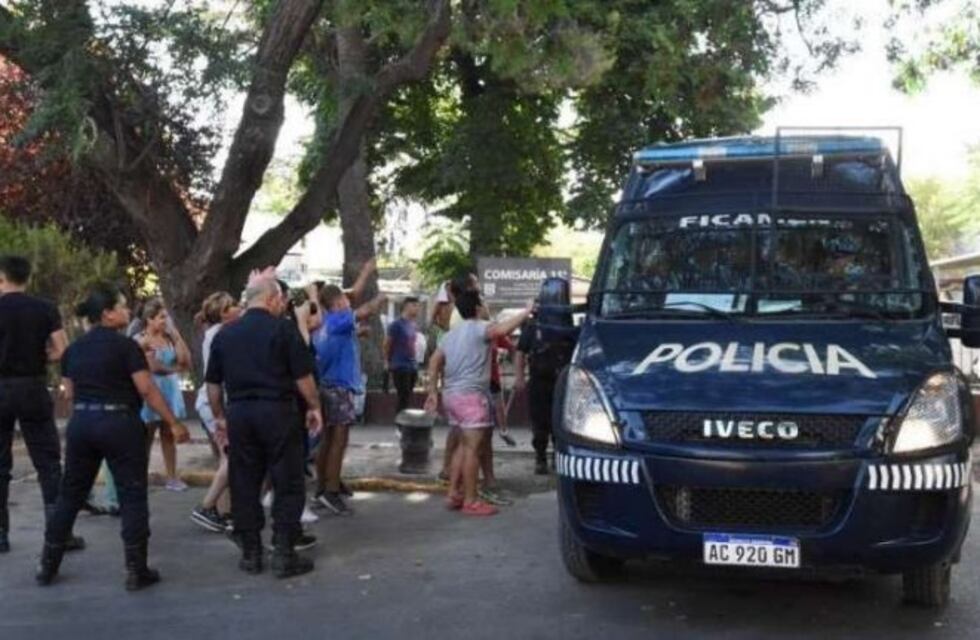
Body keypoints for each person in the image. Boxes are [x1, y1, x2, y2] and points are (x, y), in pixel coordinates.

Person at [36, 282, 190, 589]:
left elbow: (70, 392)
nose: (127, 311)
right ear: (107, 314)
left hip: (82, 422)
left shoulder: (74, 350)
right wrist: (173, 422)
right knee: (132, 494)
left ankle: (47, 564)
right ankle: (136, 569)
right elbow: (146, 389)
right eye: (121, 306)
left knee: (71, 494)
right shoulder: (126, 347)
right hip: (120, 422)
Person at [205, 272, 323, 578]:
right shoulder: (283, 331)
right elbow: (303, 378)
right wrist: (313, 407)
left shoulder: (225, 334)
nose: (282, 304)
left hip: (240, 413)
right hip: (278, 411)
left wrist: (220, 417)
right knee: (288, 480)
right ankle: (283, 552)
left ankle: (251, 553)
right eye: (281, 299)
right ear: (271, 299)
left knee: (244, 480)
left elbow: (213, 385)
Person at [0, 256, 84, 554]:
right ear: (28, 277)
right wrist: (39, 356)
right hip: (33, 386)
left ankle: (1, 534)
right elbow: (62, 349)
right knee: (48, 462)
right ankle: (59, 531)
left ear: (2, 277)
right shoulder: (44, 308)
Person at [425, 290, 531, 516]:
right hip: (472, 397)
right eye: (483, 303)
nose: (485, 306)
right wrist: (528, 311)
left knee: (463, 446)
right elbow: (503, 329)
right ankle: (471, 500)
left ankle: (454, 493)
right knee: (474, 449)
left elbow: (434, 362)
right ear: (476, 308)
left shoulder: (450, 335)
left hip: (452, 397)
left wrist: (433, 391)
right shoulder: (480, 328)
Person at [312, 262, 386, 516]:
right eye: (344, 299)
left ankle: (323, 486)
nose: (348, 301)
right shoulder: (338, 319)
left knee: (328, 440)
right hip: (339, 387)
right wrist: (379, 299)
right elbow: (364, 310)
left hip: (326, 385)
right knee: (339, 440)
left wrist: (364, 272)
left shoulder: (321, 322)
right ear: (337, 302)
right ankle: (330, 491)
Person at [514, 277, 579, 475]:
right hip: (539, 381)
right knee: (540, 421)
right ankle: (540, 458)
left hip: (564, 382)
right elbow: (520, 352)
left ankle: (558, 458)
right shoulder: (534, 326)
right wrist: (518, 377)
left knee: (561, 421)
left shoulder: (571, 326)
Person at [190, 292, 240, 533]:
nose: (238, 308)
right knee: (231, 457)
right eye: (232, 306)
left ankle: (224, 512)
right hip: (215, 405)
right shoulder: (219, 335)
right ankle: (207, 506)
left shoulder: (215, 333)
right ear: (223, 314)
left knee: (225, 458)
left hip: (213, 403)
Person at [136, 299, 192, 491]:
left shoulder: (168, 338)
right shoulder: (140, 340)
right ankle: (139, 477)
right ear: (149, 319)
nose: (165, 320)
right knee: (147, 436)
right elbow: (154, 368)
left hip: (169, 391)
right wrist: (174, 369)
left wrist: (176, 336)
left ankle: (172, 476)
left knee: (168, 434)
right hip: (151, 390)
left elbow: (186, 361)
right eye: (161, 317)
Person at [385, 297, 420, 413]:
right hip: (399, 365)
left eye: (417, 305)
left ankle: (404, 423)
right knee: (403, 396)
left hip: (412, 365)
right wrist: (387, 361)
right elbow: (387, 344)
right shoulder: (396, 325)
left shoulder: (413, 325)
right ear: (406, 306)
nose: (417, 308)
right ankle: (400, 423)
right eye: (414, 305)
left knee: (407, 396)